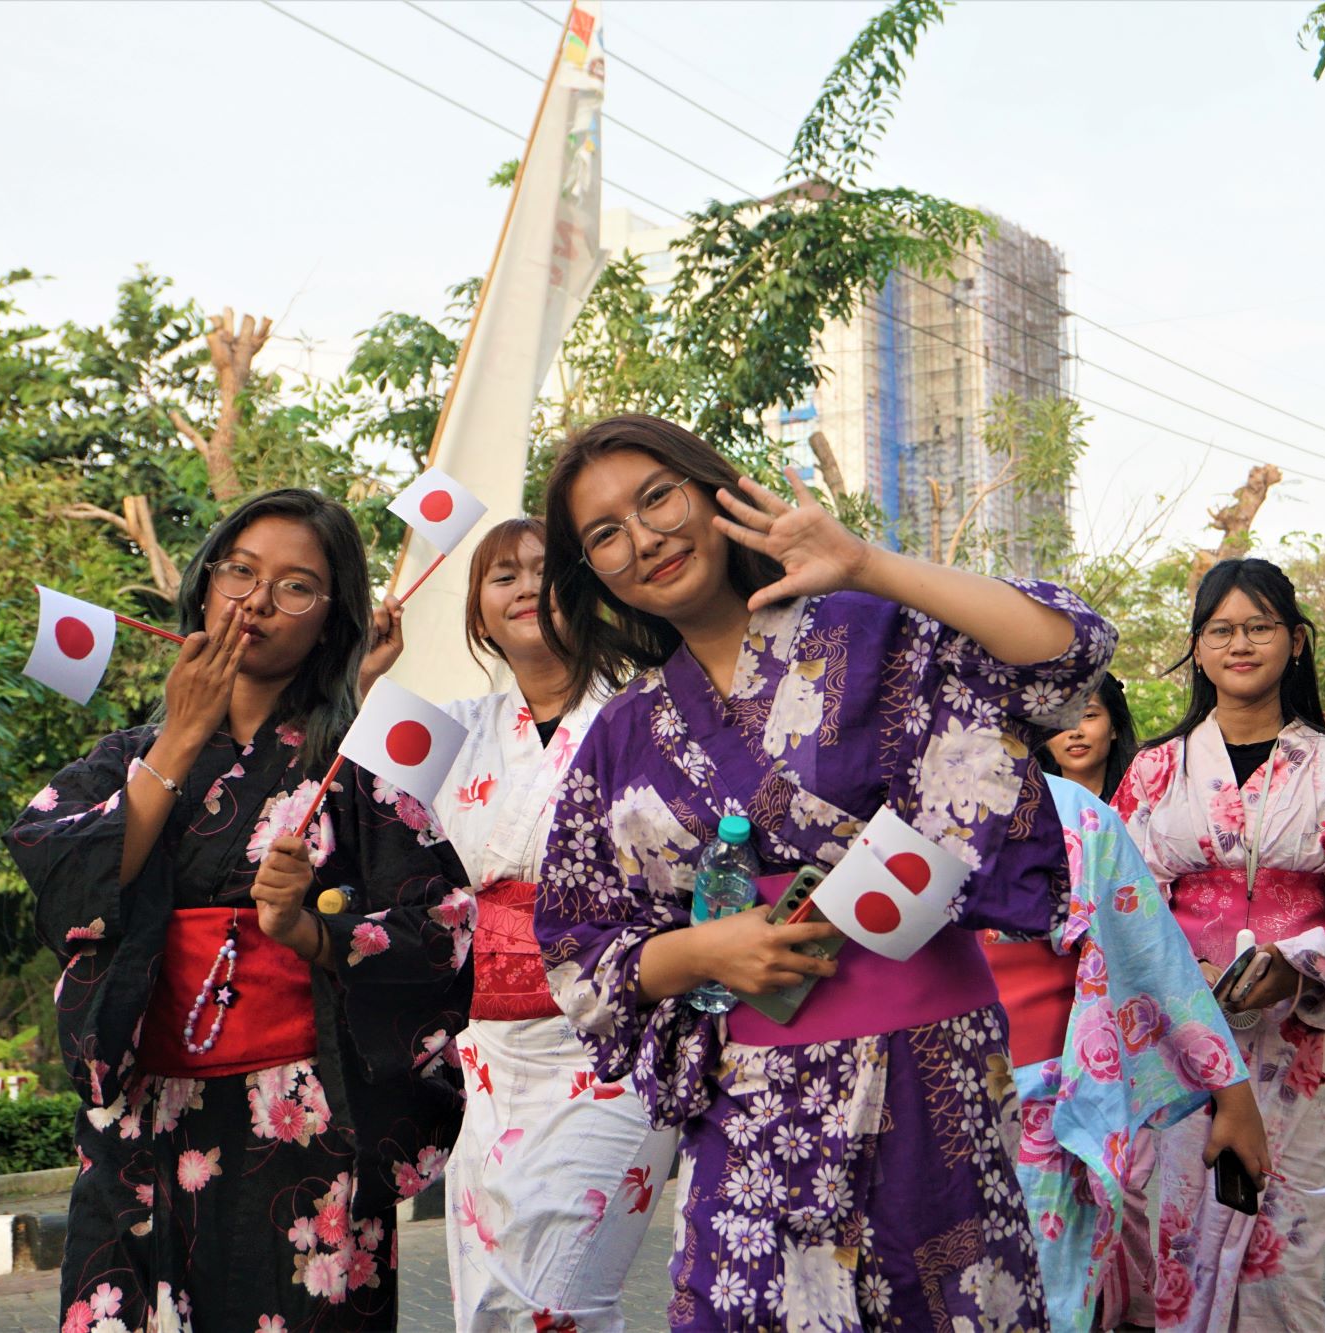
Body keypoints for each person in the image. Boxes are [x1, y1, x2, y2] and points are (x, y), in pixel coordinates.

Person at [530, 414, 1115, 1330]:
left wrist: (869, 564)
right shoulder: (621, 736)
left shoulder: (873, 627)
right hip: (755, 1101)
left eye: (658, 498)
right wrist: (702, 951)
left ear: (710, 492)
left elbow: (1065, 652)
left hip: (935, 1075)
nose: (644, 538)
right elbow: (578, 947)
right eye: (606, 534)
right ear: (591, 572)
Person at [6, 488, 472, 1332]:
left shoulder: (356, 766)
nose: (257, 600)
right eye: (240, 572)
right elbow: (66, 892)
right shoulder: (126, 756)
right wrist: (178, 741)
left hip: (303, 1124)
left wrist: (313, 933)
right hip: (141, 1120)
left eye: (297, 586)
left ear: (334, 622)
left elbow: (442, 929)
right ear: (206, 585)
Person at [362, 518, 679, 1330]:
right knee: (492, 1293)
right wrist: (363, 676)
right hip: (488, 1052)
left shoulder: (651, 713)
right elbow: (348, 794)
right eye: (503, 576)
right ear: (478, 614)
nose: (527, 588)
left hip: (610, 1032)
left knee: (560, 1296)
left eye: (546, 570)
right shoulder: (453, 728)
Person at [1112, 557, 1325, 1332]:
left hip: (1304, 1039)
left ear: (1297, 640)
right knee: (1182, 1238)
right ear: (1198, 646)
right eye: (1221, 629)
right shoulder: (1154, 770)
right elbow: (1114, 906)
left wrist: (1302, 961)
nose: (1240, 643)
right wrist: (1188, 972)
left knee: (1284, 1252)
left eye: (1259, 626)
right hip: (1184, 1034)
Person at [1002, 773, 1267, 1333]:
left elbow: (1153, 954)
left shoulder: (1073, 810)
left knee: (1044, 1298)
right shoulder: (847, 807)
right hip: (902, 1082)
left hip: (1045, 1098)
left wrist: (1233, 1095)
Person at [1037, 670, 1138, 801]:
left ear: (1114, 727)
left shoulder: (1143, 802)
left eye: (1088, 716)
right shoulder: (1026, 806)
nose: (1075, 732)